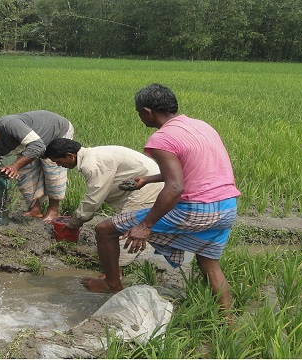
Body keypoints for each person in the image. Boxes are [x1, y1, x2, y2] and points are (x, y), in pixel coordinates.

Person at [80, 84, 240, 322]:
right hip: (226, 207)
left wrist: (146, 225)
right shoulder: (201, 126)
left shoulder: (162, 138)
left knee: (105, 230)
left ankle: (112, 283)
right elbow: (190, 169)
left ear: (147, 111)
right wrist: (148, 179)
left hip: (196, 209)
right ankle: (228, 323)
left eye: (138, 112)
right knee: (210, 265)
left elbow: (176, 187)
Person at [44, 138, 164, 277]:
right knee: (133, 222)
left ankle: (114, 274)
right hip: (145, 181)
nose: (59, 165)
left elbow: (93, 199)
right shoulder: (92, 156)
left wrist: (74, 222)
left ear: (70, 156)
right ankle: (135, 255)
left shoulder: (91, 164)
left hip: (149, 184)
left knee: (128, 226)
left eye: (58, 161)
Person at [0, 110, 74, 223]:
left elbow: (38, 146)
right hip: (30, 143)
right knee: (24, 174)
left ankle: (53, 210)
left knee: (52, 169)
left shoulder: (9, 125)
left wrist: (14, 166)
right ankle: (35, 209)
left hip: (55, 131)